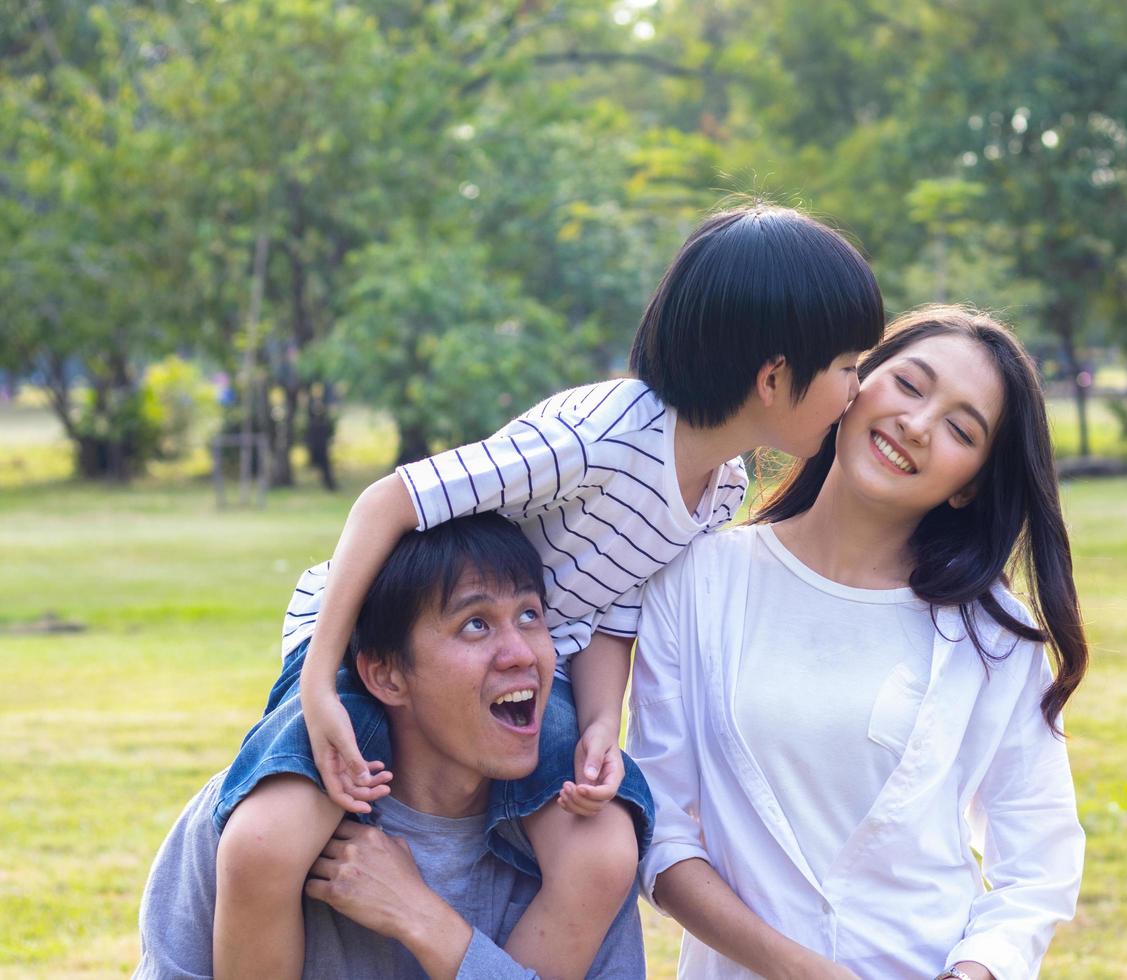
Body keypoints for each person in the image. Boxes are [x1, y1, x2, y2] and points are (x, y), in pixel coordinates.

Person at [211, 204, 887, 979]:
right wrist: (318, 678)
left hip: (524, 668)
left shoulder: (718, 488)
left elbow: (613, 614)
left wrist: (601, 723)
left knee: (601, 854)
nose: (857, 390)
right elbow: (388, 502)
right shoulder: (599, 438)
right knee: (265, 845)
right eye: (846, 366)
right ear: (774, 378)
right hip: (378, 638)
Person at [628, 305, 1090, 980]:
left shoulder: (992, 632)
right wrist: (800, 970)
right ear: (852, 383)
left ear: (971, 488)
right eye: (909, 385)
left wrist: (972, 973)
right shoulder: (698, 581)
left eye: (961, 429)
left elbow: (1038, 866)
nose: (918, 425)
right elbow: (661, 834)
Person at [136, 511, 645, 979]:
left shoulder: (580, 830)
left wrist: (423, 920)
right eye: (476, 624)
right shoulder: (253, 819)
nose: (521, 654)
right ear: (388, 676)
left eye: (530, 616)